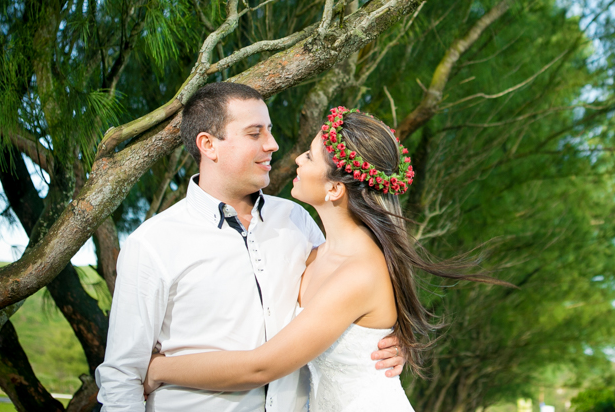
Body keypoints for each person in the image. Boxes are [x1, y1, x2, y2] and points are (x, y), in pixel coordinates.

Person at [142, 106, 499, 411]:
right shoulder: (313, 247)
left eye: (310, 156)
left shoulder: (359, 272)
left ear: (334, 188)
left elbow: (261, 368)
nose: (296, 157)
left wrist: (160, 369)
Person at [96, 85, 404, 412]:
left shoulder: (297, 221)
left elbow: (352, 298)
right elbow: (121, 376)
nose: (273, 145)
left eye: (269, 130)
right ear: (208, 144)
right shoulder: (153, 243)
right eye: (255, 133)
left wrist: (383, 338)